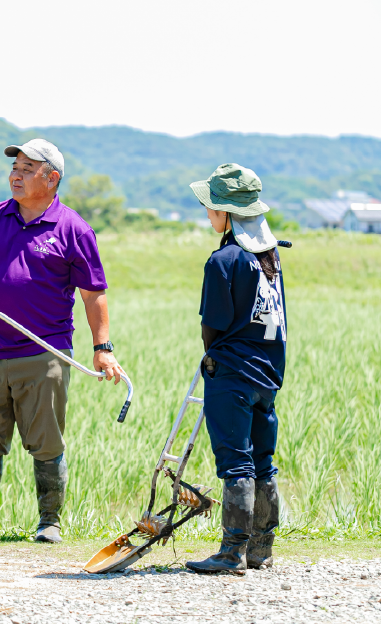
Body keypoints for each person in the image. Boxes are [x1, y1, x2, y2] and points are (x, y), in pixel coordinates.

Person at [0, 139, 126, 543]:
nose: (16, 174)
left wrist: (102, 347)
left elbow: (93, 293)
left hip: (45, 354)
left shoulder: (73, 229)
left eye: (27, 168)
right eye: (14, 167)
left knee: (46, 442)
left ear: (51, 178)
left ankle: (49, 523)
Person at [185, 164, 286, 575]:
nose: (207, 214)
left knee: (235, 462)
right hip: (268, 375)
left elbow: (213, 324)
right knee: (263, 460)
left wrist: (214, 359)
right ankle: (261, 549)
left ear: (227, 212)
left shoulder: (222, 261)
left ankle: (231, 553)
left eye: (211, 207)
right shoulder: (271, 256)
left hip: (232, 373)